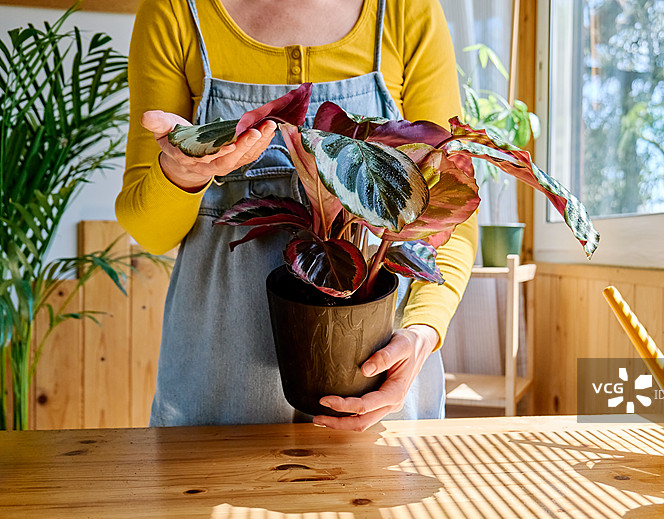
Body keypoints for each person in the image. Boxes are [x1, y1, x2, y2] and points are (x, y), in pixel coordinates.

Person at [116, 0, 479, 431]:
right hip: (221, 382)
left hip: (376, 378)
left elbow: (449, 208)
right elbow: (150, 231)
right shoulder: (175, 12)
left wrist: (422, 332)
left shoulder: (405, 11)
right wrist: (178, 172)